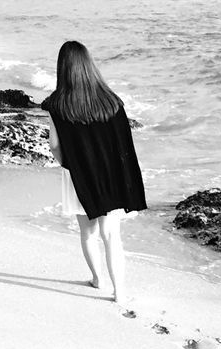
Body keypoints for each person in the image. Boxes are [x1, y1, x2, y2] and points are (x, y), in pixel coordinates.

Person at [42, 41, 146, 304]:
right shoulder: (111, 101)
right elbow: (124, 143)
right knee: (111, 235)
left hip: (78, 175)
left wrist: (69, 164)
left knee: (87, 231)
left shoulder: (56, 104)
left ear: (62, 68)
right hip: (110, 175)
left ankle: (98, 280)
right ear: (89, 65)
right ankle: (119, 292)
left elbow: (54, 145)